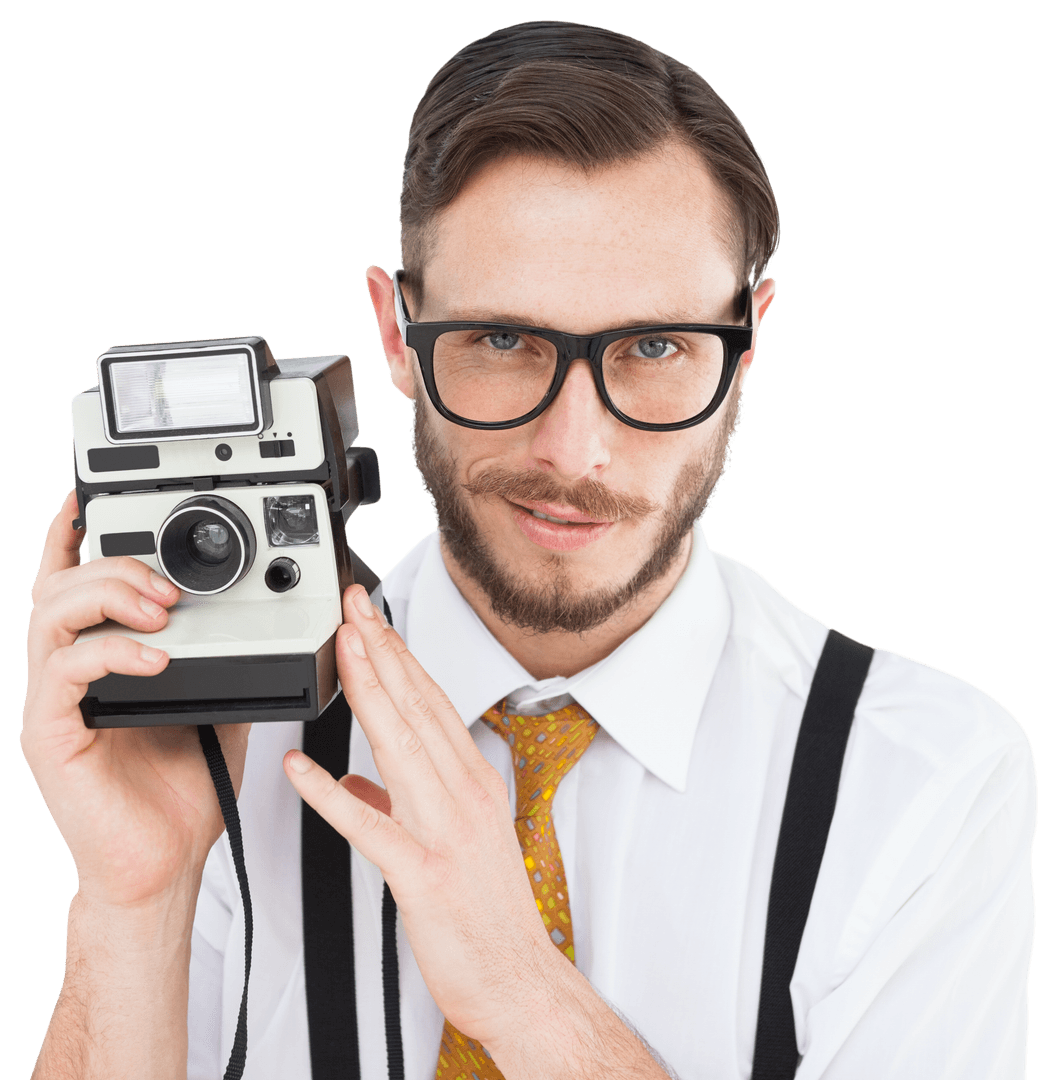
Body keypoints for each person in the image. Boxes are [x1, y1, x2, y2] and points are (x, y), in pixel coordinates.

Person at [22, 20, 1035, 1080]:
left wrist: (518, 989)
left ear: (745, 347)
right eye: (503, 342)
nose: (573, 450)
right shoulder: (220, 748)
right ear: (395, 333)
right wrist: (133, 902)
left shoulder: (918, 780)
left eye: (653, 347)